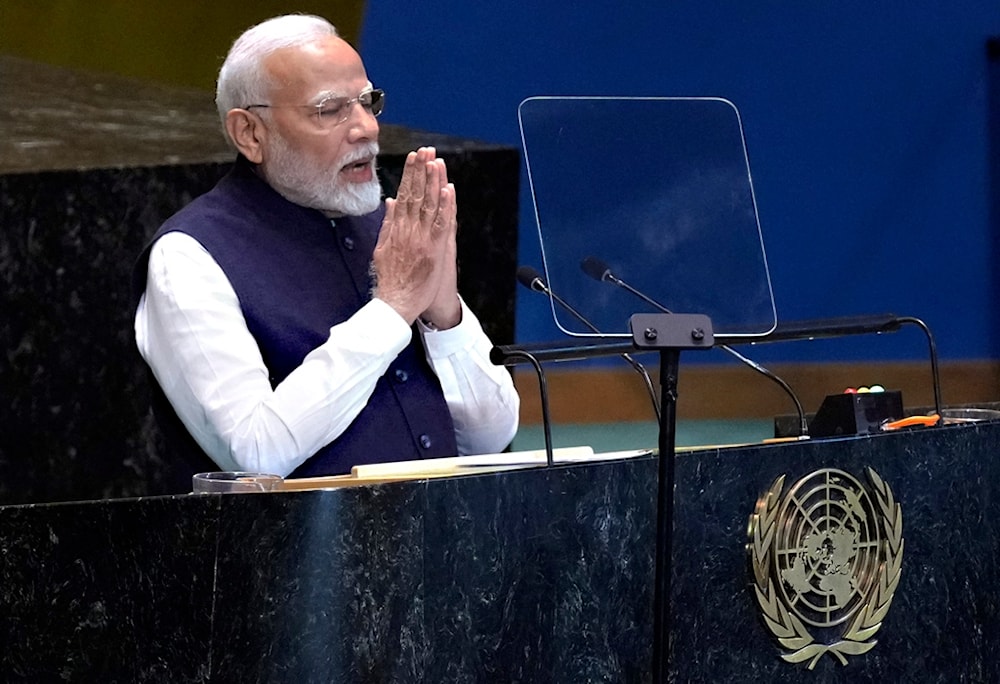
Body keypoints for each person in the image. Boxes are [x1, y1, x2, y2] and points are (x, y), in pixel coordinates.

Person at [133, 14, 519, 483]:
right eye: (329, 110)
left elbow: (490, 438)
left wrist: (444, 316)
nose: (366, 129)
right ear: (250, 134)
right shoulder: (189, 258)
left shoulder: (392, 229)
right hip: (296, 553)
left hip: (440, 541)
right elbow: (256, 451)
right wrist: (393, 309)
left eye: (367, 103)